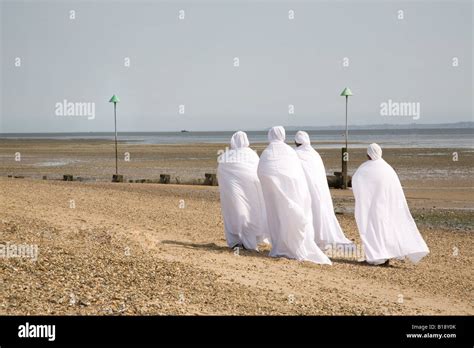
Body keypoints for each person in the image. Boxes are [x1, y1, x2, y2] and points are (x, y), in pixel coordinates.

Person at [257, 126, 331, 265]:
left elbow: (262, 171)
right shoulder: (289, 152)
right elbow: (297, 175)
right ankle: (293, 244)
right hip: (292, 191)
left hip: (273, 193)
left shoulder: (266, 153)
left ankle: (280, 245)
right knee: (292, 213)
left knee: (276, 216)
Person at [352, 143, 429, 266]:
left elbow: (357, 182)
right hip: (386, 207)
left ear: (368, 154)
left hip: (372, 207)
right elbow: (395, 190)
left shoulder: (364, 169)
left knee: (372, 229)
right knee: (386, 229)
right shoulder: (387, 168)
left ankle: (377, 256)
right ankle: (385, 255)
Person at [294, 131, 352, 249]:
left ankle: (311, 238)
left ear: (296, 142)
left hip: (305, 190)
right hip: (320, 191)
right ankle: (320, 237)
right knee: (319, 210)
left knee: (308, 212)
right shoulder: (315, 154)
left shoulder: (295, 154)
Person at [217, 131, 269, 250]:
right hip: (251, 191)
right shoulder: (252, 155)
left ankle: (235, 241)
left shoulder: (226, 156)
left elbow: (221, 172)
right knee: (250, 212)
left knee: (235, 211)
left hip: (232, 192)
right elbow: (258, 172)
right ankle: (251, 242)